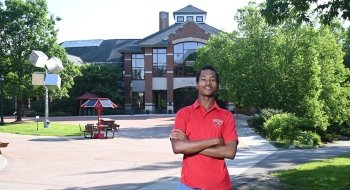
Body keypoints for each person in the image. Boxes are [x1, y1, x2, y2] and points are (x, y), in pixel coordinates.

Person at [170, 65, 239, 190]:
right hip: (188, 185)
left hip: (219, 186)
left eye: (212, 80)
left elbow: (230, 152)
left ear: (217, 86)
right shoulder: (183, 114)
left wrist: (189, 144)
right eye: (203, 79)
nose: (208, 83)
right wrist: (216, 141)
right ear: (197, 85)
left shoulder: (226, 116)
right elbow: (178, 147)